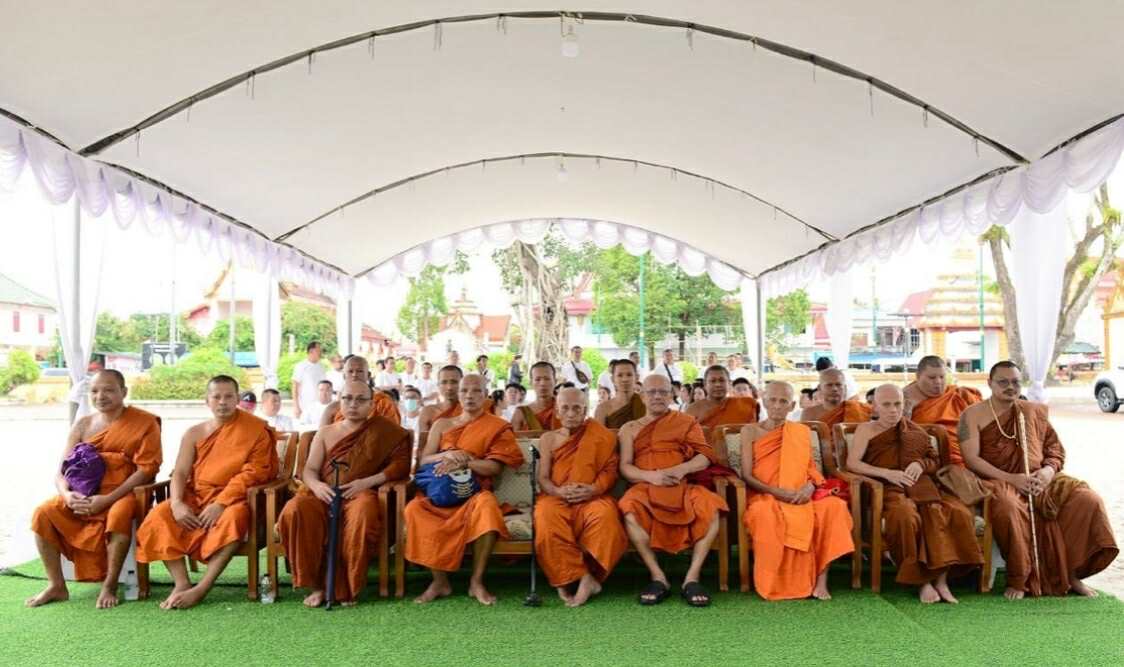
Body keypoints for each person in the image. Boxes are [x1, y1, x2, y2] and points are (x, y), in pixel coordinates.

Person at [960, 361, 1118, 599]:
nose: (1010, 387)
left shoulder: (1032, 411)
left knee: (1087, 500)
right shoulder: (971, 415)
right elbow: (971, 459)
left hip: (1039, 478)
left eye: (1015, 382)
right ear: (989, 383)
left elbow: (1055, 450)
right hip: (997, 479)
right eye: (1003, 382)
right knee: (1008, 507)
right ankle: (1019, 578)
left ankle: (1071, 575)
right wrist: (1012, 479)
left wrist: (1046, 473)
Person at [135, 375, 278, 609]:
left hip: (235, 498)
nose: (222, 402)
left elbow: (253, 474)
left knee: (234, 519)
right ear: (207, 401)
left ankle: (202, 587)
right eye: (216, 397)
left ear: (238, 399)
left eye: (229, 396)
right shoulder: (194, 433)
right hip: (196, 496)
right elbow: (180, 472)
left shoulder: (255, 430)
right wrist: (177, 503)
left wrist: (221, 503)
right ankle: (181, 582)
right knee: (159, 515)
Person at [27, 370, 162, 609]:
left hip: (124, 492)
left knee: (119, 514)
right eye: (95, 391)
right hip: (83, 492)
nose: (101, 396)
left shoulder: (145, 422)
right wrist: (67, 495)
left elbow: (146, 469)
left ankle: (110, 585)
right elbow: (62, 470)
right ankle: (56, 585)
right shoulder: (83, 424)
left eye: (109, 390)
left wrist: (107, 499)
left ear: (124, 392)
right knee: (43, 512)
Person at [276, 380, 411, 607]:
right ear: (339, 401)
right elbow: (309, 470)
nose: (353, 404)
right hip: (323, 494)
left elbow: (401, 466)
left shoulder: (386, 431)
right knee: (295, 509)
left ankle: (349, 586)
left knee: (363, 512)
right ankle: (317, 586)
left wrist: (366, 482)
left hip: (360, 494)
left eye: (361, 400)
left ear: (371, 405)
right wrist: (317, 486)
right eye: (347, 398)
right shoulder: (325, 433)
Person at [847, 385, 982, 604]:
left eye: (897, 404)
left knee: (955, 512)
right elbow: (853, 463)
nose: (893, 410)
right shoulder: (866, 430)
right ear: (875, 407)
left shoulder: (915, 431)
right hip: (887, 489)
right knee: (905, 516)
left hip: (922, 487)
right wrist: (887, 473)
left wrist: (920, 464)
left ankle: (942, 580)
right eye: (886, 405)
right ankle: (921, 582)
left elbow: (934, 461)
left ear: (904, 405)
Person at [406, 374, 525, 605]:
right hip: (439, 493)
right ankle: (440, 582)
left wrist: (466, 462)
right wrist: (449, 455)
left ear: (486, 395)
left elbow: (494, 468)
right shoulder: (442, 425)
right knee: (414, 509)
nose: (469, 396)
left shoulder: (497, 426)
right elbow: (424, 460)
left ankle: (476, 582)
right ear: (458, 394)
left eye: (476, 391)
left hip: (473, 494)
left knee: (487, 506)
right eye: (464, 391)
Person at [618, 374, 728, 607]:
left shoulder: (686, 422)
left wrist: (680, 469)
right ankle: (658, 577)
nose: (657, 396)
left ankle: (692, 578)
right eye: (651, 392)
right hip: (645, 486)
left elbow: (705, 456)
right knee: (629, 507)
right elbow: (625, 467)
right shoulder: (629, 428)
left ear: (672, 395)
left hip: (681, 485)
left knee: (712, 506)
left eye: (663, 392)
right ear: (642, 396)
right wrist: (652, 476)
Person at [739, 382, 853, 600]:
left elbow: (810, 468)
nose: (777, 406)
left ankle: (821, 579)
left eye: (783, 401)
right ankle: (776, 581)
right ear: (764, 401)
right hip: (765, 495)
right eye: (772, 400)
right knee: (764, 514)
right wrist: (777, 492)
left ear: (792, 406)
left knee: (834, 507)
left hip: (800, 494)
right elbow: (746, 475)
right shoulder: (750, 431)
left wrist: (809, 487)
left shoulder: (800, 432)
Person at [535, 388, 628, 607]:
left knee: (605, 516)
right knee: (545, 515)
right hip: (556, 497)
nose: (571, 413)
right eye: (565, 408)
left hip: (592, 497)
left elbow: (610, 472)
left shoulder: (602, 437)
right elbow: (543, 478)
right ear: (557, 411)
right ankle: (575, 577)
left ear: (585, 411)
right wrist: (557, 491)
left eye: (576, 408)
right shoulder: (548, 439)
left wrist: (592, 490)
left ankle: (589, 577)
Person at [904, 356, 982, 465]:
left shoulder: (959, 394)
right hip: (940, 456)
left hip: (974, 449)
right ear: (918, 376)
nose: (938, 382)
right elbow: (901, 431)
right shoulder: (904, 399)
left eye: (942, 377)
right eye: (932, 378)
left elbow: (987, 419)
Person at [319, 356, 401, 428]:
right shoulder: (333, 408)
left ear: (368, 375)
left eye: (360, 371)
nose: (354, 375)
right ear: (344, 376)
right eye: (350, 371)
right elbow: (322, 436)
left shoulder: (383, 403)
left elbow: (393, 434)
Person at [686, 365, 760, 432]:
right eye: (713, 381)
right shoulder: (693, 409)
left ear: (729, 383)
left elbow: (753, 431)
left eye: (722, 380)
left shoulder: (746, 405)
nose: (718, 384)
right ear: (705, 384)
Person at [799, 368, 872, 427]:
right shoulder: (810, 413)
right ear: (820, 388)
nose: (834, 389)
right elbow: (805, 438)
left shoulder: (861, 411)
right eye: (829, 385)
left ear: (845, 388)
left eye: (838, 385)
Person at [594, 358, 646, 428]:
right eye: (620, 375)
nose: (625, 379)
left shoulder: (646, 404)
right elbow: (598, 433)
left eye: (629, 375)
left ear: (637, 377)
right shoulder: (603, 409)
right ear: (613, 379)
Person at [510, 362, 562, 431]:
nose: (542, 383)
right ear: (531, 383)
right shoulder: (521, 413)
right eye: (537, 379)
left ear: (555, 381)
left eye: (547, 379)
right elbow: (511, 437)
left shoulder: (565, 409)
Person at [416, 365, 465, 435]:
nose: (449, 387)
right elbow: (424, 440)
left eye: (454, 382)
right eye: (444, 382)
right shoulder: (428, 412)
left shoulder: (471, 411)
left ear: (463, 384)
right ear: (438, 385)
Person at [291, 341, 326, 424]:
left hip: (319, 406)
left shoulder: (321, 366)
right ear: (311, 351)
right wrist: (296, 406)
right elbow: (295, 386)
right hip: (304, 405)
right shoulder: (301, 366)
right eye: (318, 350)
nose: (321, 352)